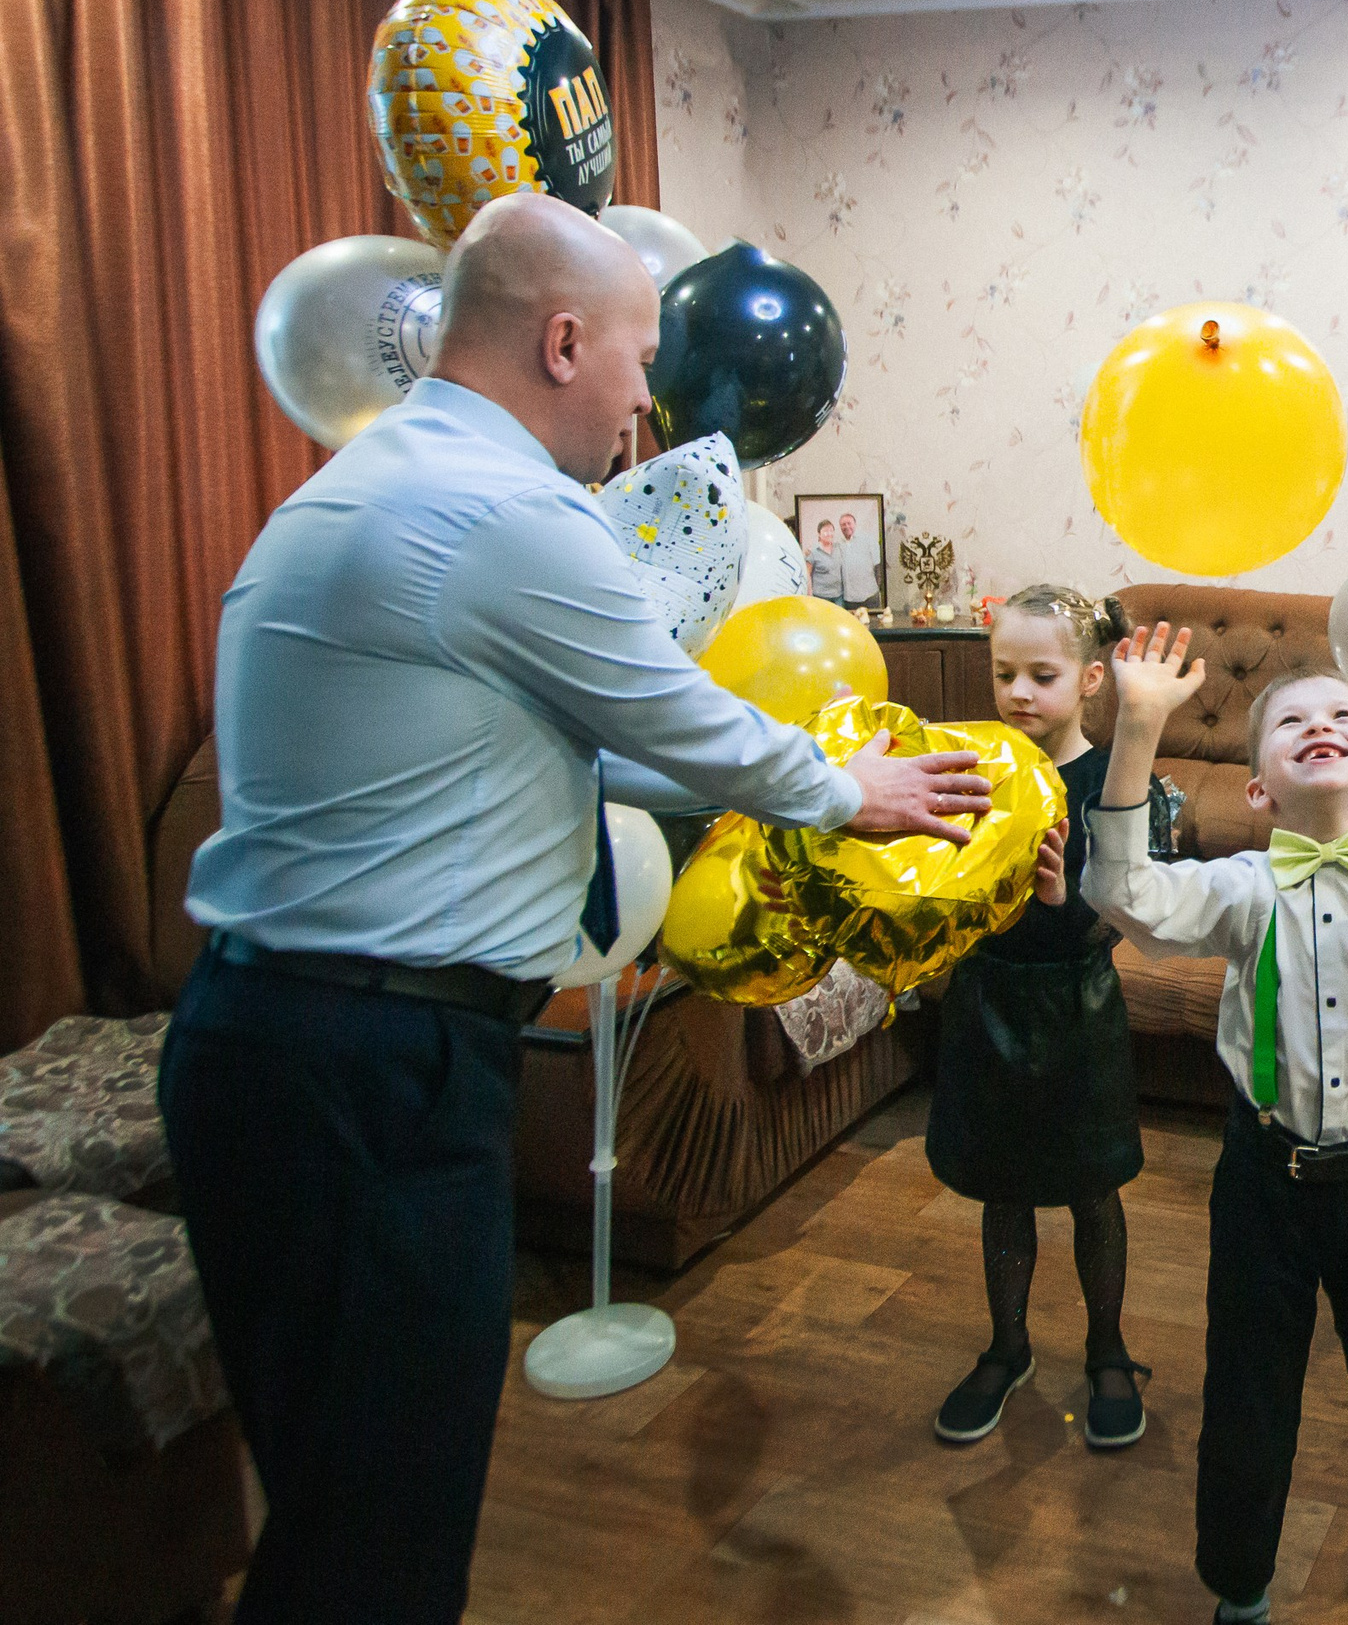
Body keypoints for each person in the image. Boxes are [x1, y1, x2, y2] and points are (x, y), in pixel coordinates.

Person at [161, 193, 993, 1624]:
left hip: (275, 1039)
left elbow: (577, 734)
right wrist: (849, 786)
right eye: (636, 357)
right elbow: (676, 715)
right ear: (560, 341)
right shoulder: (499, 513)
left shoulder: (378, 477)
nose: (646, 397)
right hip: (376, 1073)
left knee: (335, 1497)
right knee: (383, 1528)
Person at [1085, 618, 1348, 1625]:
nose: (1320, 725)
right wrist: (1139, 729)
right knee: (1246, 1394)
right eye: (1291, 724)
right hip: (1261, 1185)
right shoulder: (1242, 896)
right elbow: (1123, 892)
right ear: (1257, 789)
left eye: (1343, 718)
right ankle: (1240, 1590)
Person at [926, 585, 1160, 1451]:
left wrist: (1068, 897)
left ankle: (1107, 1347)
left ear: (1092, 677)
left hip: (1078, 1005)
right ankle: (1008, 1345)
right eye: (1004, 673)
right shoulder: (977, 762)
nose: (1018, 691)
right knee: (1003, 1186)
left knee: (1095, 1190)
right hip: (988, 1002)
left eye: (1042, 673)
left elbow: (1126, 913)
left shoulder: (1112, 777)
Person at [806, 516, 845, 605]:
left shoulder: (838, 547)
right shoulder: (813, 552)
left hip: (838, 596)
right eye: (825, 531)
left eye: (831, 530)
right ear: (819, 534)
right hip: (821, 597)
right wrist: (809, 594)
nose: (829, 533)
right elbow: (807, 574)